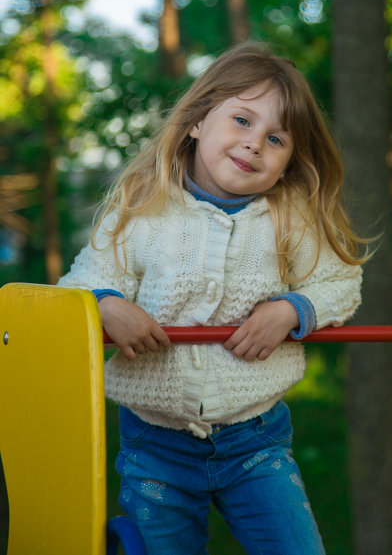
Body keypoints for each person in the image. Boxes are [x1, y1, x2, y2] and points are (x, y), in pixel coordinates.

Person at [58, 42, 366, 555]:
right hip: (155, 444)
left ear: (288, 161)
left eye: (275, 138)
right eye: (242, 121)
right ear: (198, 121)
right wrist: (107, 304)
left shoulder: (289, 217)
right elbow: (79, 286)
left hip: (256, 441)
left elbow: (340, 284)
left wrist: (291, 309)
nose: (254, 144)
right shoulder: (142, 208)